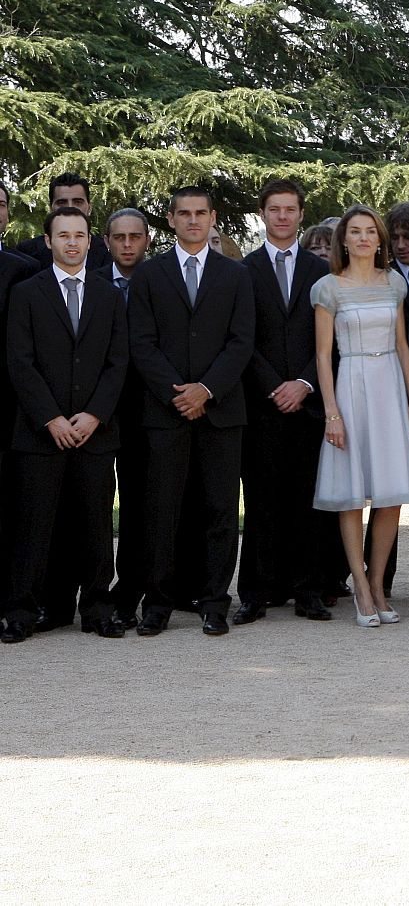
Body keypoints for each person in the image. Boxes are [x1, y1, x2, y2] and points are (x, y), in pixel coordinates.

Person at [126, 187, 255, 637]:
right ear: (171, 218)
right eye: (185, 213)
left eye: (201, 213)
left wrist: (206, 390)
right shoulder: (149, 275)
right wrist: (178, 393)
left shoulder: (235, 275)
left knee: (220, 509)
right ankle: (158, 603)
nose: (193, 220)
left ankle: (215, 602)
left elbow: (242, 342)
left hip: (221, 412)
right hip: (166, 412)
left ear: (213, 217)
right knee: (163, 510)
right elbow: (141, 343)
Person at [1, 207, 128, 643]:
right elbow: (20, 362)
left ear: (91, 241)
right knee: (34, 526)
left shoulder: (108, 294)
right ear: (49, 241)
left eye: (80, 235)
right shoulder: (27, 293)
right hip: (40, 433)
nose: (72, 243)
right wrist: (51, 418)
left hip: (95, 432)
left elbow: (118, 361)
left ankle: (96, 607)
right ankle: (23, 610)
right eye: (63, 235)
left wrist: (94, 414)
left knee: (94, 525)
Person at [311, 206, 409, 626]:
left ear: (380, 240)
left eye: (369, 231)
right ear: (344, 239)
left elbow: (403, 345)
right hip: (351, 384)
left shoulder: (394, 283)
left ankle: (378, 584)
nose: (362, 238)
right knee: (353, 493)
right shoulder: (328, 288)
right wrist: (331, 413)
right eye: (354, 231)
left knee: (391, 492)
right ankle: (358, 584)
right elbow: (323, 356)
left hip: (388, 384)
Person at [236, 178, 333, 625]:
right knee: (260, 502)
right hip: (261, 405)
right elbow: (241, 340)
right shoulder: (244, 271)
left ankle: (308, 590)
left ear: (300, 214)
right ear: (263, 214)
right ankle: (256, 593)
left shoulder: (321, 274)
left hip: (310, 404)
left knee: (307, 501)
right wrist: (275, 385)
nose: (282, 216)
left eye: (290, 209)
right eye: (274, 209)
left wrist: (304, 384)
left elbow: (330, 344)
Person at [361, 201, 409, 598]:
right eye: (398, 238)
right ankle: (378, 580)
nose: (403, 245)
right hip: (389, 388)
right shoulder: (380, 279)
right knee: (383, 485)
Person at [100, 208, 152, 627]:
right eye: (120, 237)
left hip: (146, 412)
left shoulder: (161, 281)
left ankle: (130, 591)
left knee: (139, 507)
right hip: (96, 412)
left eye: (136, 237)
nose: (128, 244)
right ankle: (90, 592)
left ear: (148, 240)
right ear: (107, 242)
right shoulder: (93, 282)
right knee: (92, 508)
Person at [18, 172, 110, 271]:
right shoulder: (27, 252)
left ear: (89, 208)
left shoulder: (108, 251)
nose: (70, 208)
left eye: (77, 202)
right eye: (62, 203)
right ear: (50, 208)